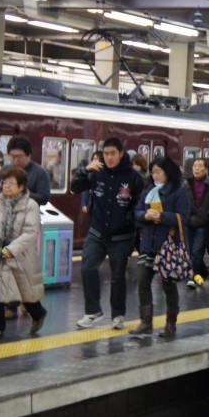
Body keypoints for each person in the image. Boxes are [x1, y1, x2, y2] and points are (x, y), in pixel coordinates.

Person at [70, 137, 145, 330]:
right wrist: (84, 170)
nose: (109, 157)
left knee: (117, 276)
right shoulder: (96, 172)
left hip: (122, 236)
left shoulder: (134, 177)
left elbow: (141, 204)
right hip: (97, 231)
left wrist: (131, 219)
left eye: (113, 153)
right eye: (106, 153)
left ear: (121, 154)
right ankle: (93, 311)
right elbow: (74, 188)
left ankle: (118, 315)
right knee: (88, 267)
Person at [0, 167, 48, 340]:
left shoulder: (30, 205)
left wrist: (12, 249)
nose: (6, 186)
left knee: (24, 292)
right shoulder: (1, 202)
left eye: (11, 183)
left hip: (20, 255)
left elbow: (30, 233)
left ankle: (38, 314)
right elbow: (0, 225)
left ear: (21, 186)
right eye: (4, 182)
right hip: (0, 253)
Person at [131, 157, 189, 337]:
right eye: (153, 172)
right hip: (148, 243)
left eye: (158, 172)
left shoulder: (178, 191)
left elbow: (183, 217)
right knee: (142, 280)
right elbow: (137, 211)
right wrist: (145, 216)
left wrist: (161, 217)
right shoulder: (149, 189)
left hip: (167, 245)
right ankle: (146, 322)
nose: (154, 175)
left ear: (168, 172)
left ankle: (171, 323)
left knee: (168, 285)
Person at [184, 157, 209, 288]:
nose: (197, 168)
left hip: (203, 223)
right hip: (188, 222)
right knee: (190, 252)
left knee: (196, 253)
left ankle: (192, 277)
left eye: (200, 166)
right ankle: (204, 272)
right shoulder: (186, 183)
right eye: (195, 166)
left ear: (206, 169)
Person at [0, 136, 51, 206]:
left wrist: (20, 193)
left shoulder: (40, 173)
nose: (15, 160)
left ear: (29, 155)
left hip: (28, 211)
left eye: (19, 157)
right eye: (12, 156)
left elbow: (44, 198)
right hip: (4, 210)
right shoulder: (5, 169)